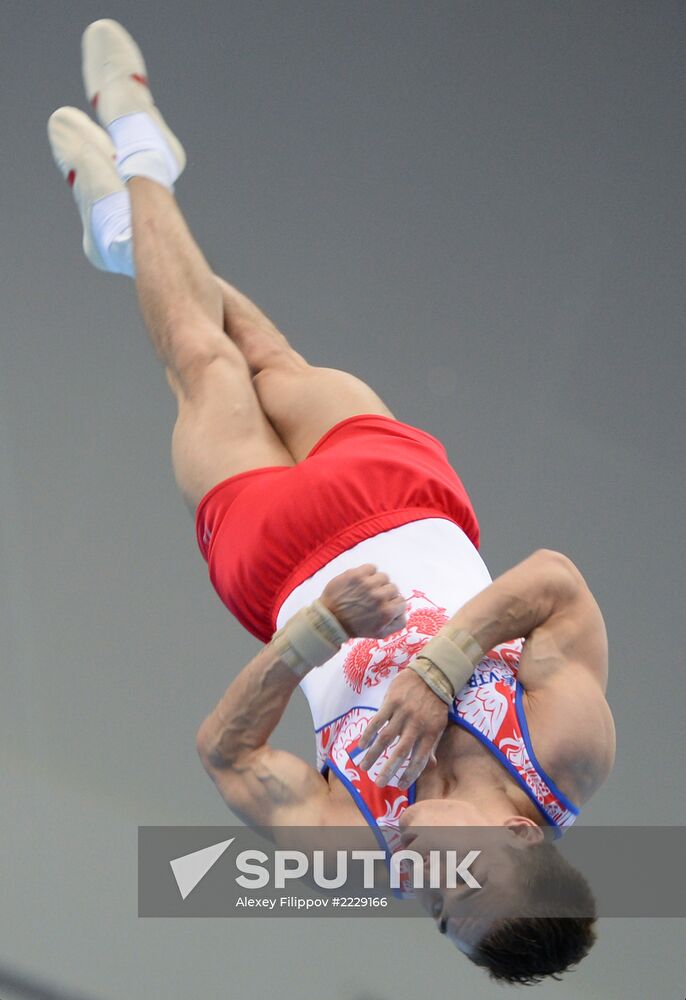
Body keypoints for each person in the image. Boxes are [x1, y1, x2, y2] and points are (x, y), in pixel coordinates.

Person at [48, 19, 616, 984]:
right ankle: (124, 235)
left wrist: (316, 634)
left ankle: (141, 149)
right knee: (266, 353)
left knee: (200, 357)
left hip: (277, 566)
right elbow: (556, 583)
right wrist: (443, 666)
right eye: (458, 887)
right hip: (402, 497)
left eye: (437, 916)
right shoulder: (564, 748)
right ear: (520, 829)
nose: (424, 886)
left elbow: (225, 758)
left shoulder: (358, 847)